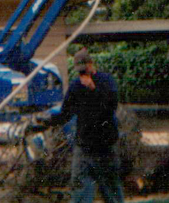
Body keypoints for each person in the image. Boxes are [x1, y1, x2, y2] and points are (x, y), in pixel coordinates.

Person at [46, 48, 124, 203]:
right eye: (80, 71)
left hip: (105, 147)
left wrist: (93, 89)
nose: (83, 75)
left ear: (91, 64)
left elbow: (111, 106)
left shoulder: (106, 81)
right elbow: (65, 113)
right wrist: (47, 120)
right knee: (80, 190)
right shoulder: (75, 86)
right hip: (84, 147)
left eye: (85, 70)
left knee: (111, 189)